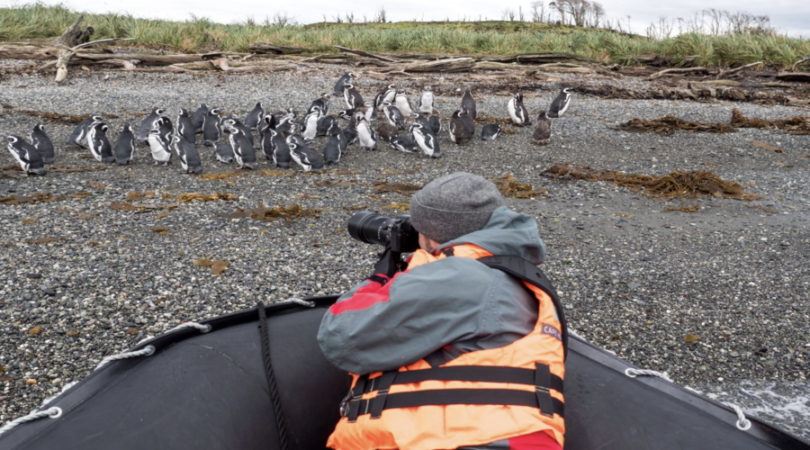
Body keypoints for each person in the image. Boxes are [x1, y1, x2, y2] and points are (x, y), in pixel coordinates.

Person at [318, 172, 565, 450]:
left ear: (434, 237)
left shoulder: (459, 275)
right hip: (503, 437)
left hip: (465, 442)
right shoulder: (517, 277)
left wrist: (381, 277)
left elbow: (340, 337)